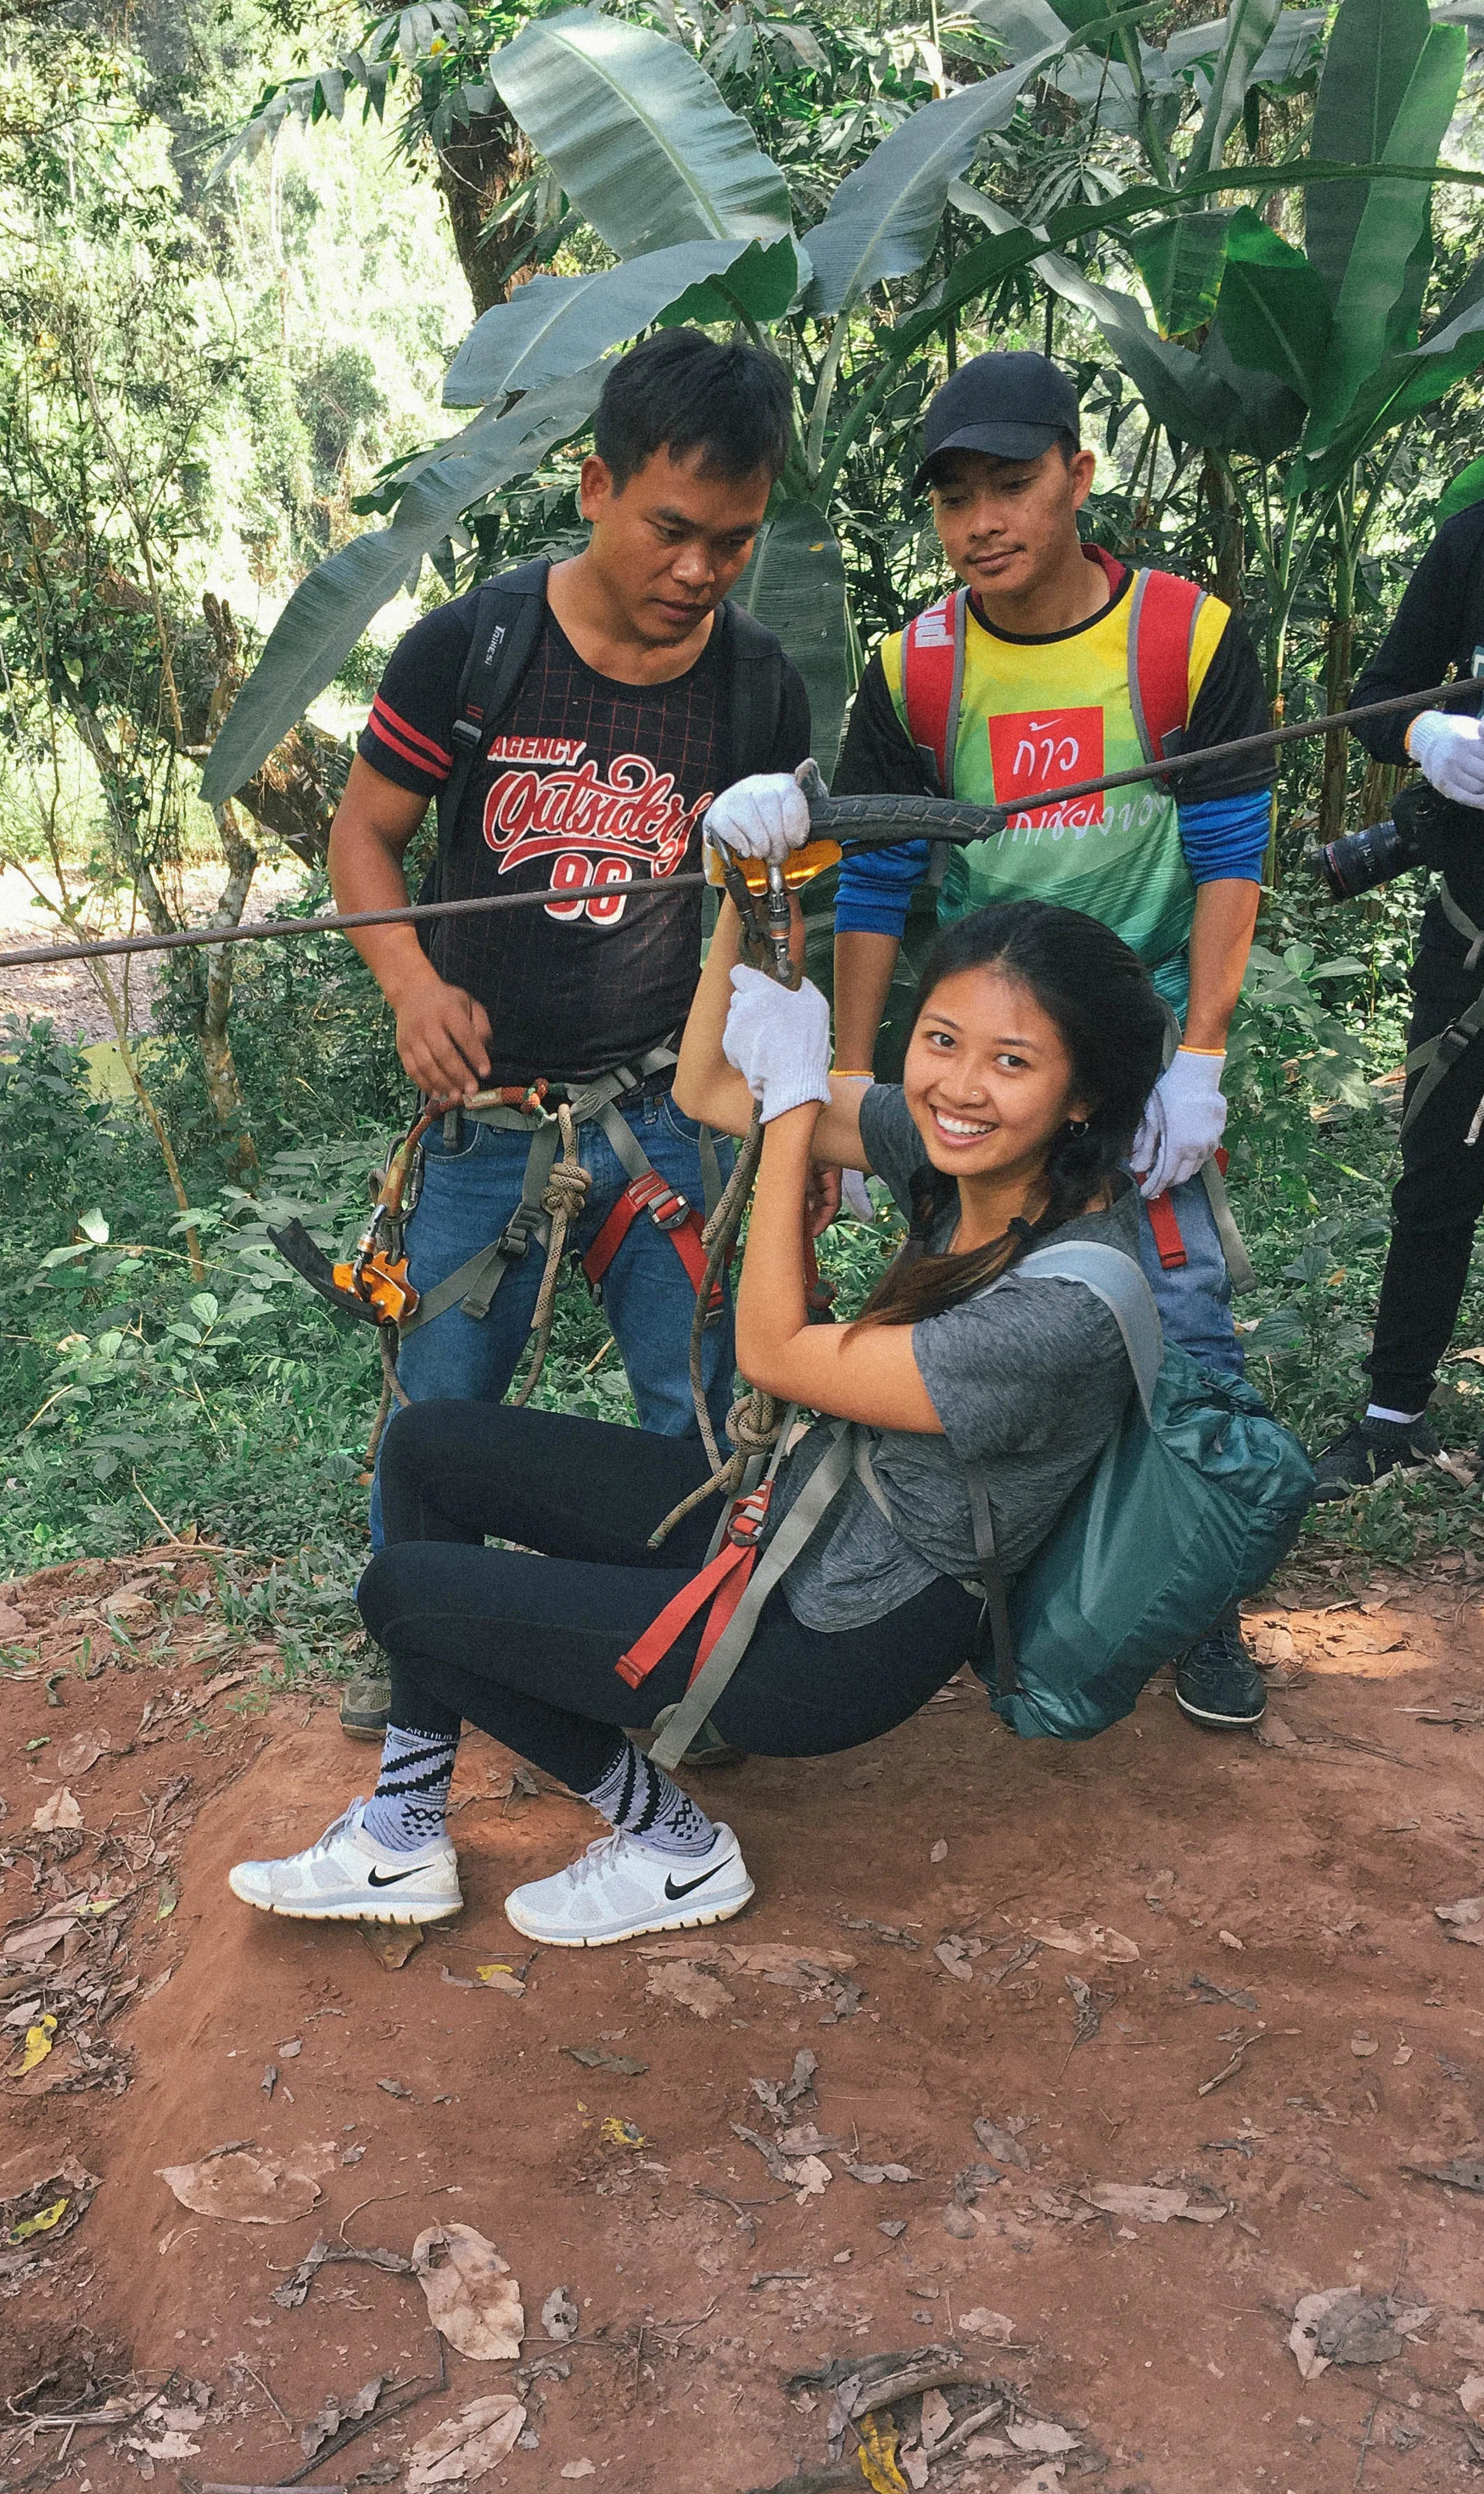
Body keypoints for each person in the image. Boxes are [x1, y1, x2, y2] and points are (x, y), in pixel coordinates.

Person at [228, 899, 1167, 1949]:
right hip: (786, 1529)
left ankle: (673, 1847)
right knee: (429, 1446)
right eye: (940, 1040)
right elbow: (708, 1088)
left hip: (831, 1640)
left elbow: (772, 1353)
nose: (956, 1085)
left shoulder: (1060, 1313)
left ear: (1083, 1094)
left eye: (1011, 1062)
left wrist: (795, 1114)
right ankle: (399, 1829)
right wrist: (735, 896)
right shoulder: (971, 1159)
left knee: (408, 1595)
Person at [703, 348, 1279, 1729]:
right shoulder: (918, 671)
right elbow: (880, 889)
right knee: (974, 1327)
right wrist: (833, 1082)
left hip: (1134, 1072)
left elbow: (1227, 856)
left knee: (1182, 1332)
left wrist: (1200, 1055)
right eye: (954, 496)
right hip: (987, 1069)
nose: (982, 521)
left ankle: (1197, 1605)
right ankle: (971, 1585)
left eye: (1011, 483)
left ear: (1079, 478)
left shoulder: (1184, 641)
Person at [326, 325, 813, 1738]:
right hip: (484, 1115)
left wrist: (790, 1120)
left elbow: (772, 916)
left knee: (704, 1394)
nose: (697, 571)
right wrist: (415, 989)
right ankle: (418, 1632)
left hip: (672, 1108)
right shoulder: (476, 648)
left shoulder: (754, 686)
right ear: (595, 486)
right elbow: (364, 830)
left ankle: (689, 1646)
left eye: (733, 540)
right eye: (672, 529)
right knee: (440, 1397)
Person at [1308, 491, 1484, 1495]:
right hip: (1470, 944)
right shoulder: (1481, 535)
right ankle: (1393, 1415)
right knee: (1435, 1182)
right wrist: (1431, 731)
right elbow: (1377, 693)